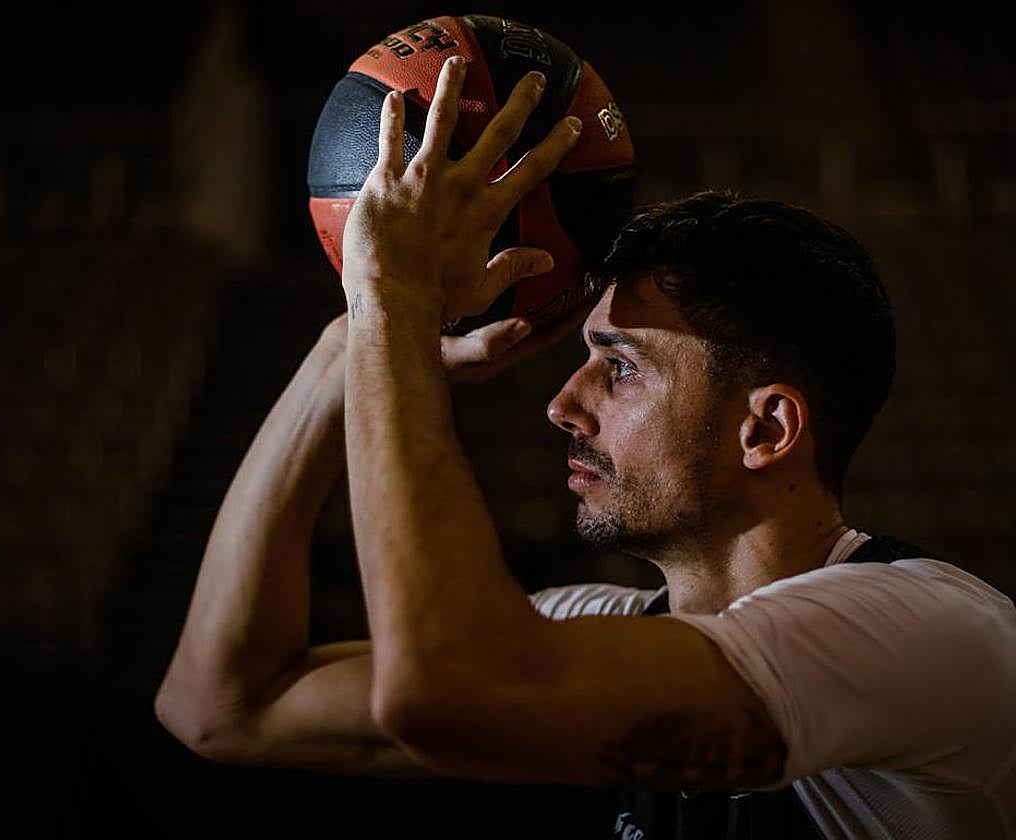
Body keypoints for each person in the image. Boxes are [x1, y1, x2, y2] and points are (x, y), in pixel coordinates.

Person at [154, 57, 1016, 838]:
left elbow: (441, 688)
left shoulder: (922, 631)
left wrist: (396, 301)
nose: (562, 406)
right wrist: (345, 349)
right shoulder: (598, 629)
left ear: (765, 430)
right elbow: (222, 708)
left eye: (621, 367)